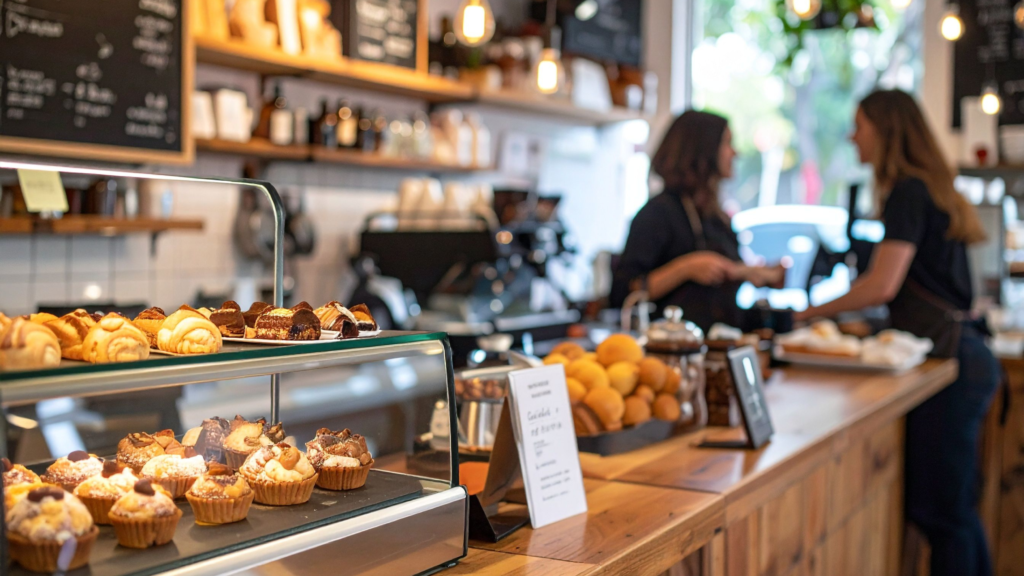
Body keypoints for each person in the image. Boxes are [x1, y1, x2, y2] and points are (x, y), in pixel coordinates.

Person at [796, 89, 998, 576]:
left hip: (953, 364)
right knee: (954, 515)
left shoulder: (907, 190)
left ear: (885, 130)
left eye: (859, 125)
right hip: (968, 356)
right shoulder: (931, 186)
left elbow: (882, 285)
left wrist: (804, 315)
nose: (852, 135)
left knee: (942, 517)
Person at [611, 110, 782, 332]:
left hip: (721, 344)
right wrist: (685, 268)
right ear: (703, 150)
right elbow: (622, 294)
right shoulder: (658, 214)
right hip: (673, 353)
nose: (735, 153)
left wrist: (750, 273)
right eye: (727, 143)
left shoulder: (715, 217)